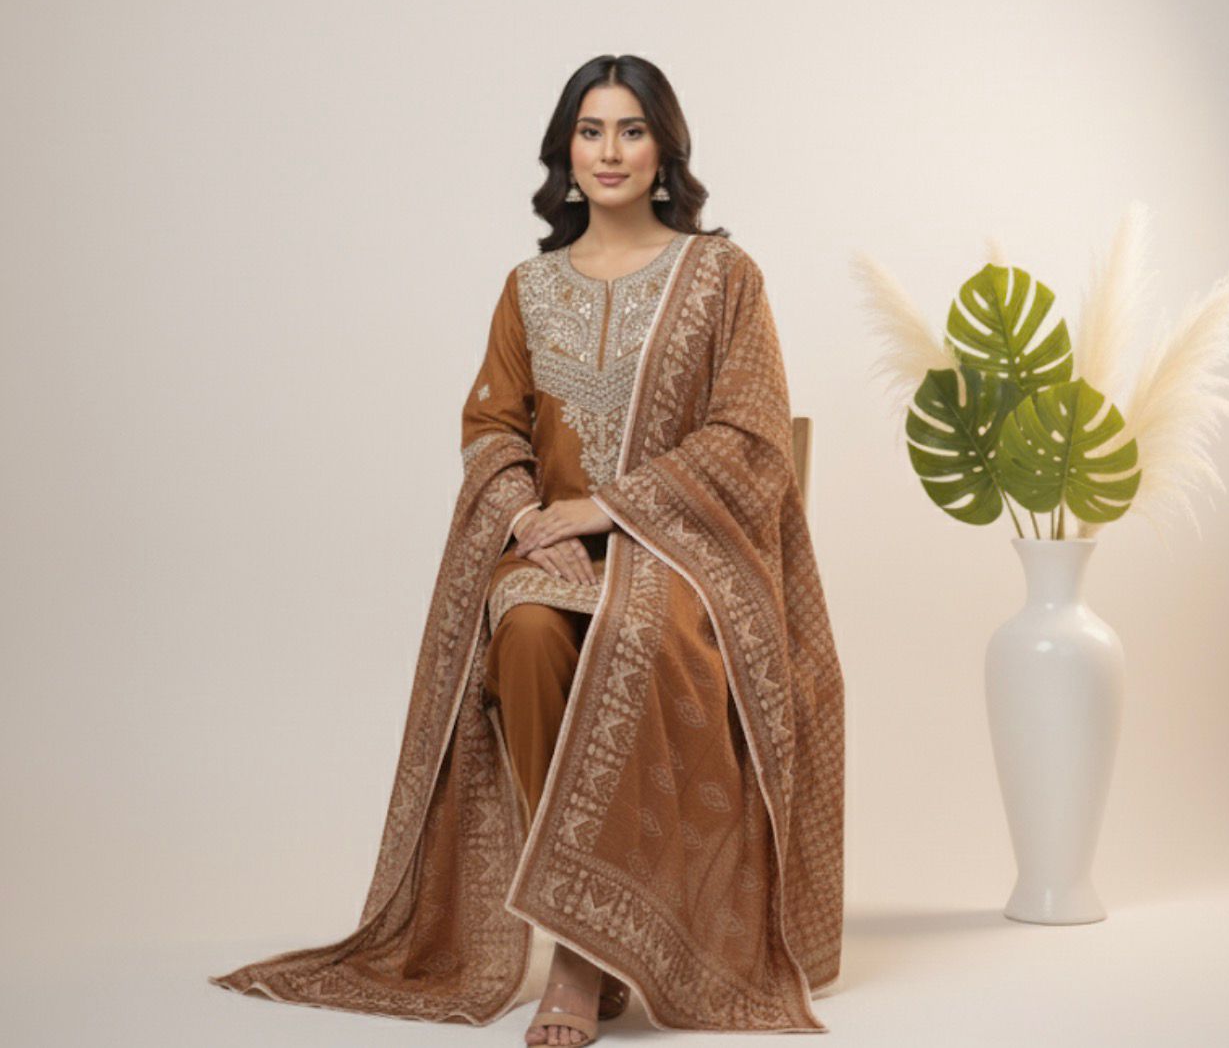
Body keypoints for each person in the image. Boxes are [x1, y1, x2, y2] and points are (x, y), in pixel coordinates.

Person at [209, 55, 845, 1040]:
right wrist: (521, 519)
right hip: (548, 548)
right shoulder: (529, 286)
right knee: (526, 627)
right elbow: (493, 427)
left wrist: (607, 509)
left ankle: (584, 961)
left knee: (642, 633)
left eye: (632, 129)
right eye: (591, 131)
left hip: (683, 553)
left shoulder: (722, 274)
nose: (611, 151)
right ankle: (587, 941)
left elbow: (749, 432)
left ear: (666, 147)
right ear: (565, 150)